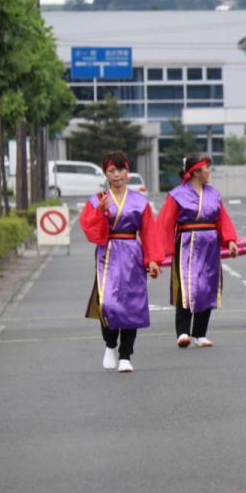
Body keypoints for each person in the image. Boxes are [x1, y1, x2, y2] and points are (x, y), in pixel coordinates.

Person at [79, 151, 161, 373]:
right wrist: (100, 213)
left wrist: (153, 260)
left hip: (133, 253)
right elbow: (90, 230)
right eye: (111, 171)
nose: (116, 175)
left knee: (131, 304)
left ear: (128, 171)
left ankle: (126, 355)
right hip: (107, 254)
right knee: (107, 303)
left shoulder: (140, 201)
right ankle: (109, 344)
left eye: (120, 169)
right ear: (105, 173)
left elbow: (149, 231)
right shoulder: (97, 200)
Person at [157, 154, 239, 348]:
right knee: (188, 285)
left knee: (208, 285)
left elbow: (222, 218)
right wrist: (160, 252)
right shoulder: (177, 194)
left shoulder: (213, 194)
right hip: (188, 243)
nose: (209, 171)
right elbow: (165, 223)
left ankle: (200, 333)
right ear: (194, 172)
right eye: (206, 168)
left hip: (210, 243)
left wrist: (230, 240)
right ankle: (183, 332)